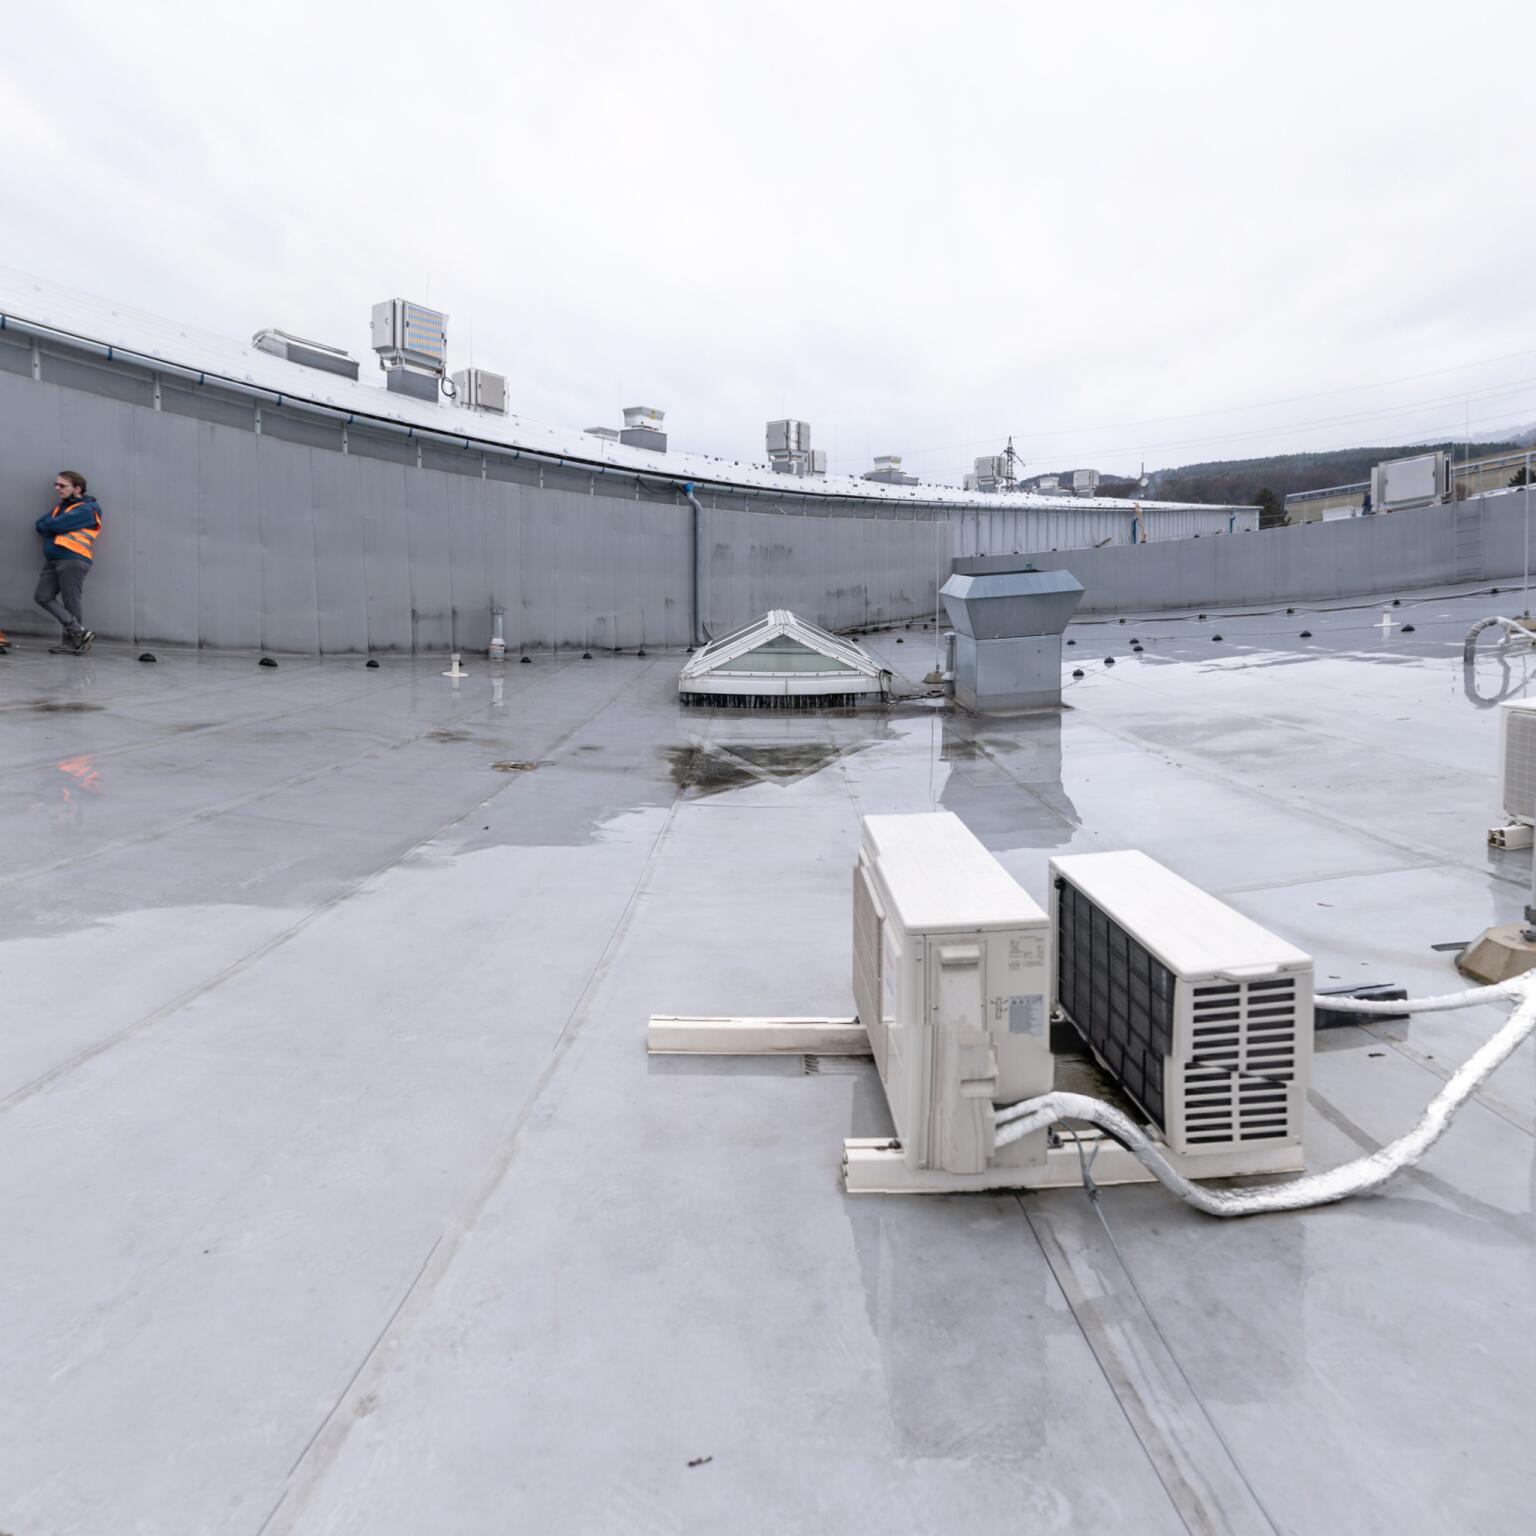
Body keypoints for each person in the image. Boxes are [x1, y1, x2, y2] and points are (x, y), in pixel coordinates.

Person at [34, 470, 101, 654]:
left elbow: (54, 525)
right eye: (56, 484)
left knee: (71, 601)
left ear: (77, 489)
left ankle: (72, 644)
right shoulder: (61, 507)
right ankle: (79, 632)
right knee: (42, 596)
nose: (57, 488)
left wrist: (51, 525)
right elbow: (39, 524)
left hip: (72, 559)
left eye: (62, 485)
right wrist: (51, 525)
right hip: (53, 559)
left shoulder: (87, 509)